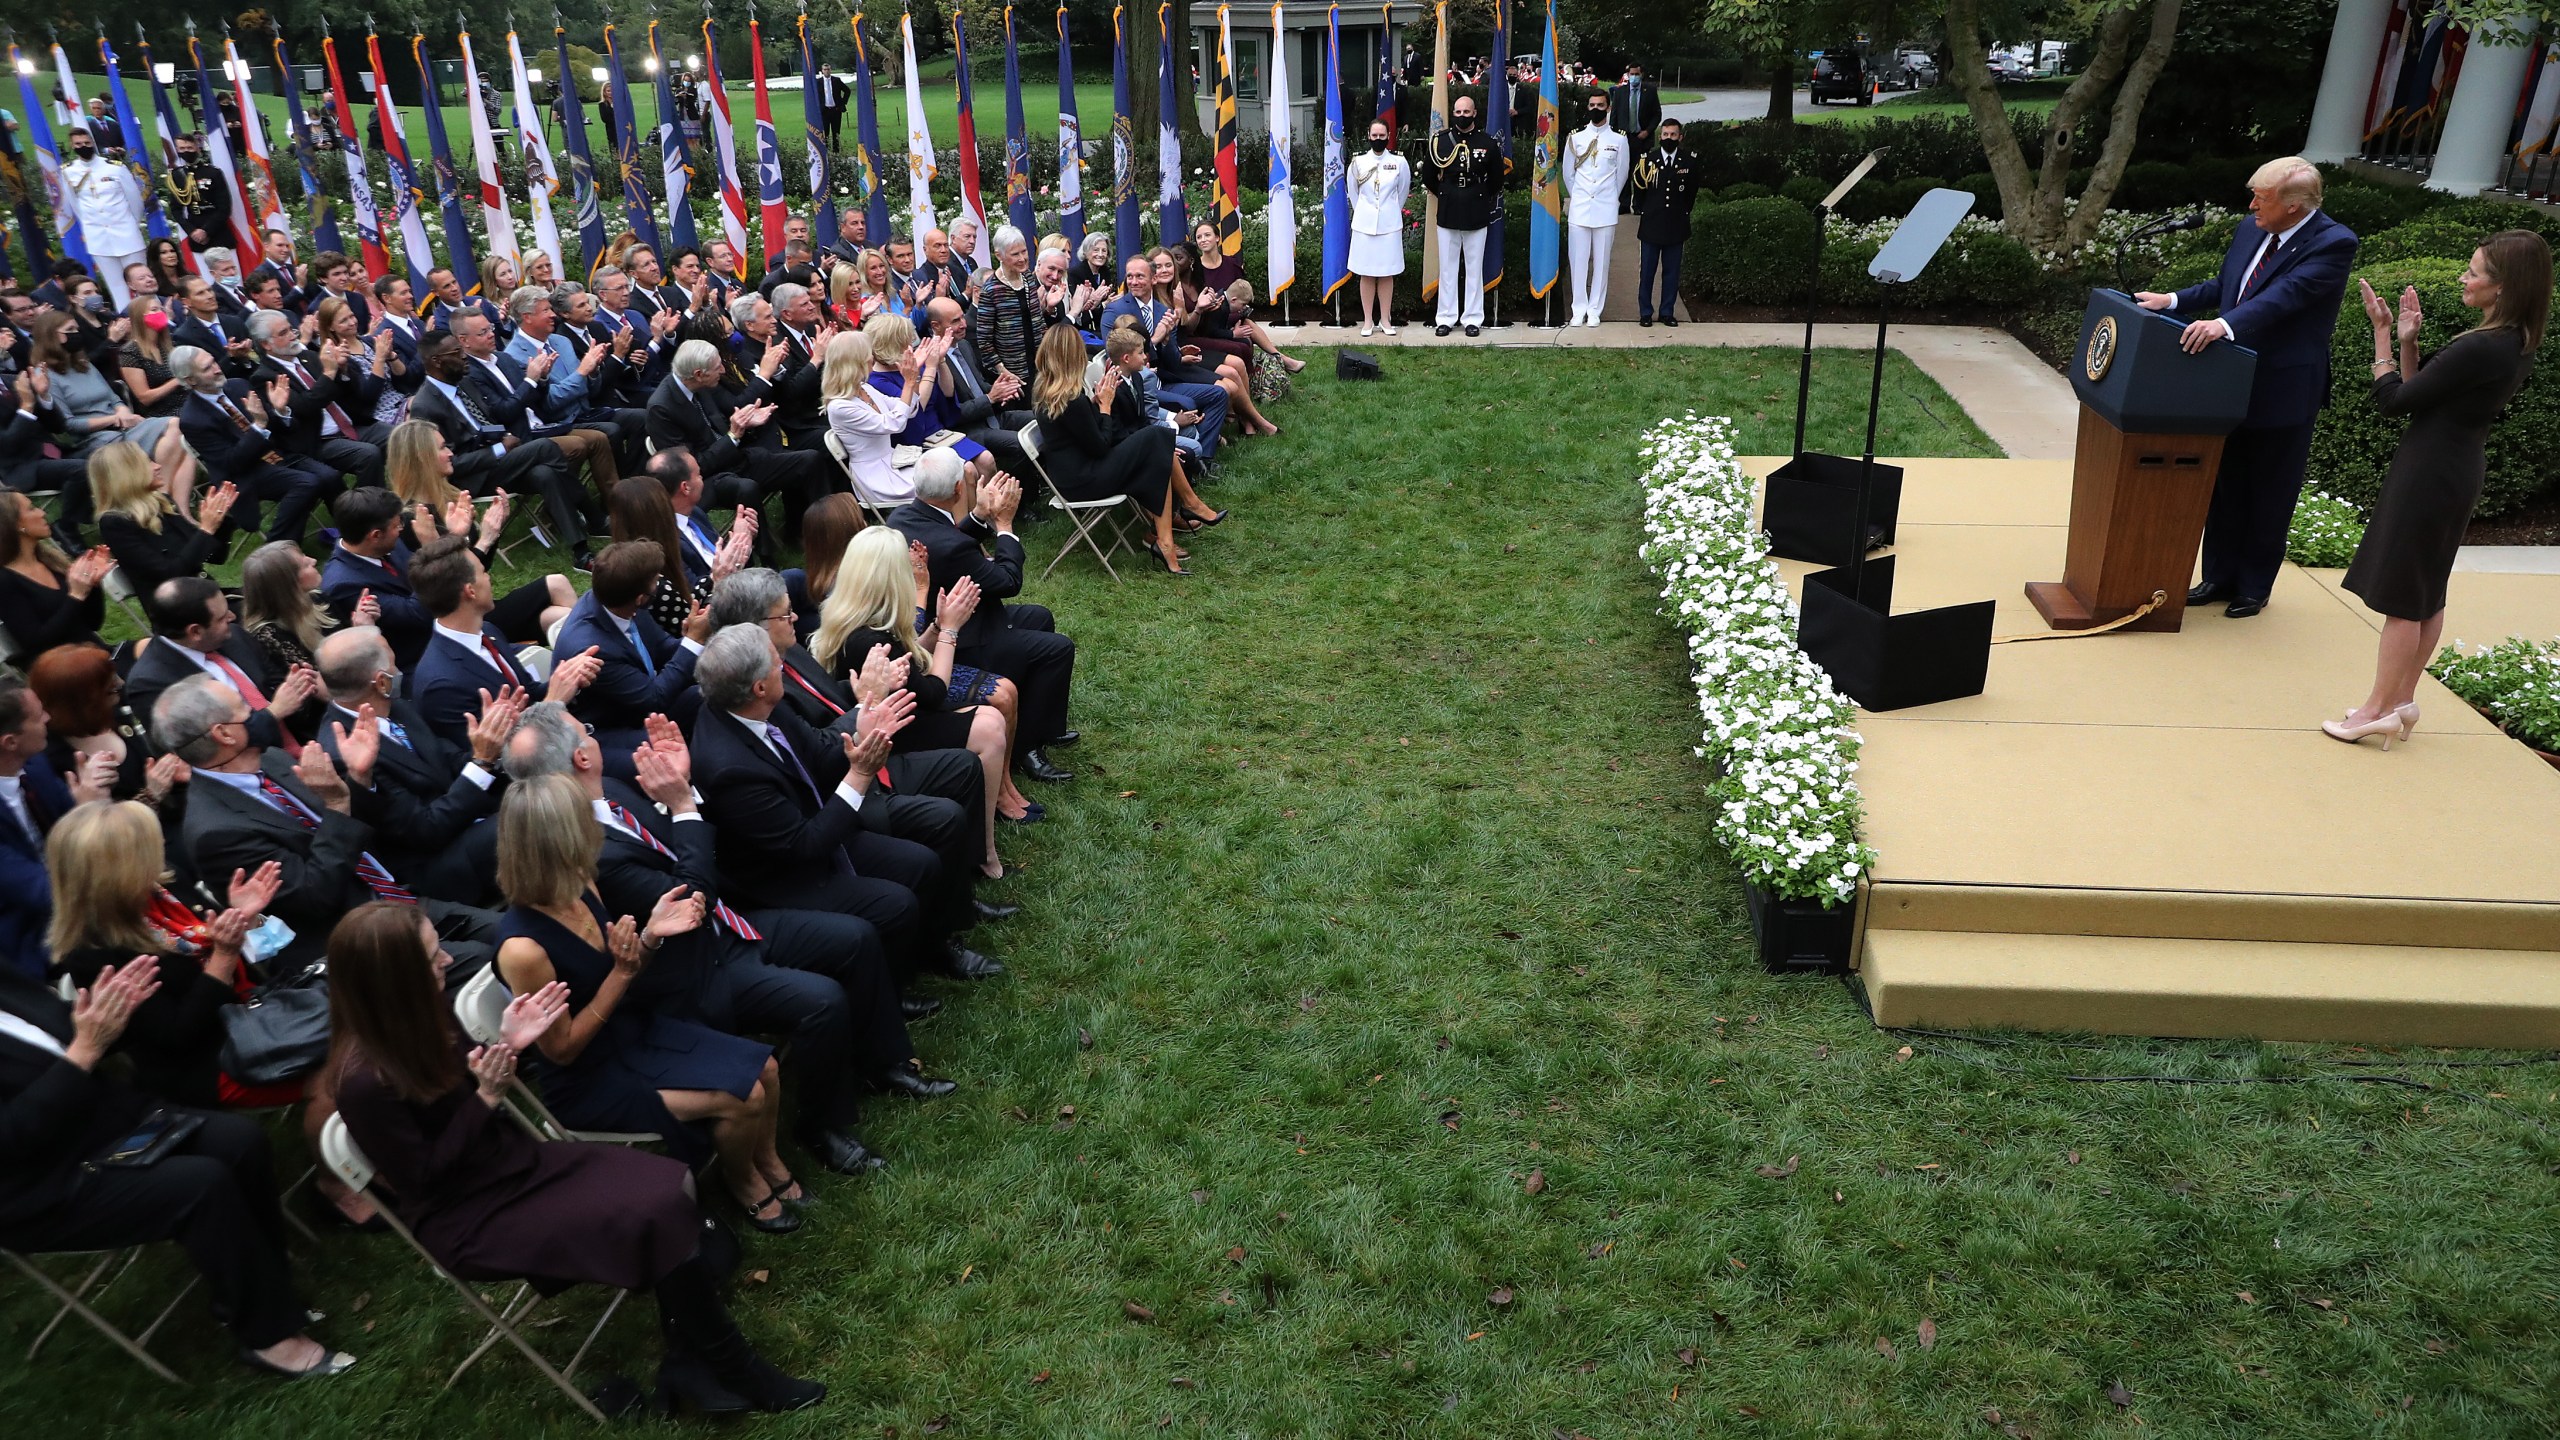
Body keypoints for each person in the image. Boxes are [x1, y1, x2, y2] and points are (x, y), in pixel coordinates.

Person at [325, 904, 823, 1411]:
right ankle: (738, 1369)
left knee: (670, 1185)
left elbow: (458, 1102)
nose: (448, 960)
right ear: (393, 979)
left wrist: (507, 1046)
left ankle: (688, 1363)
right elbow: (425, 1179)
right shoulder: (363, 1083)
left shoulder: (419, 1021)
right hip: (470, 1215)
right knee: (654, 1212)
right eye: (432, 957)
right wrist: (489, 1096)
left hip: (510, 1164)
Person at [503, 703, 940, 1167]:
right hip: (692, 970)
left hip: (733, 926)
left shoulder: (611, 791)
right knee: (822, 1001)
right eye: (586, 729)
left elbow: (683, 845)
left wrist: (685, 787)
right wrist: (683, 805)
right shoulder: (589, 853)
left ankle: (884, 1062)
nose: (594, 734)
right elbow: (692, 898)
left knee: (855, 938)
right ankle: (822, 1127)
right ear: (581, 759)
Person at [0, 956, 352, 1379]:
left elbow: (60, 1038)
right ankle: (268, 1338)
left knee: (240, 1142)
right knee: (201, 1185)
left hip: (99, 1119)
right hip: (40, 1184)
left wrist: (111, 1014)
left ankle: (266, 1292)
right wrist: (85, 1051)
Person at [492, 773, 801, 1227]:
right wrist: (622, 971)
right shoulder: (524, 948)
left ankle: (767, 1160)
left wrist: (651, 935)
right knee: (743, 1097)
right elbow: (561, 1050)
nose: (592, 832)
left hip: (634, 1031)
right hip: (590, 1077)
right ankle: (742, 1181)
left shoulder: (581, 884)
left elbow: (621, 969)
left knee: (768, 1070)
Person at [2326, 233, 2551, 748]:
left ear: (2504, 285)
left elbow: (2394, 401)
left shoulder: (2481, 346)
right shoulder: (2513, 341)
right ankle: (2401, 701)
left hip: (2431, 473)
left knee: (2405, 598)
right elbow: (2423, 395)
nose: (2463, 278)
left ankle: (2375, 710)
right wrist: (2408, 342)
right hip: (2452, 467)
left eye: (2474, 271)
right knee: (2425, 593)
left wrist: (2382, 335)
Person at [687, 624, 995, 982]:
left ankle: (932, 949)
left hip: (818, 827)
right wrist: (861, 774)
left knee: (923, 863)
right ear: (758, 686)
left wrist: (863, 722)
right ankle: (894, 983)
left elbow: (818, 751)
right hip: (787, 877)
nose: (783, 670)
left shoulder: (756, 708)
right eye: (776, 667)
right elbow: (807, 847)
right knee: (897, 902)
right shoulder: (728, 767)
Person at [151, 673, 504, 967]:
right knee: (493, 960)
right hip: (365, 945)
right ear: (224, 734)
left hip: (402, 901)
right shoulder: (216, 831)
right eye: (246, 710)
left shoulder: (271, 759)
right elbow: (314, 896)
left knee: (510, 934)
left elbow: (360, 830)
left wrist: (359, 777)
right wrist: (337, 804)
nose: (261, 713)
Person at [2133, 157, 2356, 618]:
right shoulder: (2252, 227)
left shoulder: (2334, 243)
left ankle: (2253, 587)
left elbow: (2284, 296)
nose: (2252, 203)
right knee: (2225, 481)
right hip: (2226, 381)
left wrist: (2223, 326)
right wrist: (2171, 300)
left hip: (2284, 387)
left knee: (2270, 489)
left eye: (2263, 196)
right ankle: (2217, 576)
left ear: (2294, 207)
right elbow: (2229, 285)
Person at [43, 800, 308, 1109]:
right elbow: (178, 1035)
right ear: (118, 871)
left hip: (259, 1011)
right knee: (337, 1072)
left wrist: (244, 917)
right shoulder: (94, 954)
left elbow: (240, 953)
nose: (160, 852)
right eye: (147, 848)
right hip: (213, 1060)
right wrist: (223, 957)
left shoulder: (163, 885)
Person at [812, 529, 1018, 878]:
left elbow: (912, 666)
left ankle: (991, 822)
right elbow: (934, 691)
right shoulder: (869, 640)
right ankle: (984, 853)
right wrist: (952, 630)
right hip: (887, 737)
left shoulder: (851, 621)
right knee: (989, 727)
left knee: (990, 717)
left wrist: (937, 626)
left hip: (888, 716)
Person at [889, 452, 1079, 782]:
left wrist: (978, 517)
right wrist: (1003, 525)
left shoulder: (903, 517)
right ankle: (1025, 749)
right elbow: (1008, 582)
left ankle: (1042, 723)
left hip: (955, 615)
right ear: (958, 489)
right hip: (961, 636)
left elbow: (951, 539)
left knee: (1039, 617)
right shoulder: (951, 546)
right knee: (1057, 648)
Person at [313, 626, 513, 903]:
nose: (400, 672)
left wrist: (494, 740)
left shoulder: (394, 707)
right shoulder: (345, 755)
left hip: (467, 821)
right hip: (437, 864)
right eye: (393, 664)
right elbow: (426, 830)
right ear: (381, 682)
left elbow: (448, 759)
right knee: (530, 817)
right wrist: (481, 762)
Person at [1034, 326, 1223, 574]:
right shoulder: (1071, 400)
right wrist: (1105, 406)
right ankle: (1188, 506)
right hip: (1083, 481)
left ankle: (1166, 541)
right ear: (1072, 356)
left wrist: (1095, 403)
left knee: (1159, 448)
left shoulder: (1050, 392)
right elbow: (1101, 445)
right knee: (1158, 439)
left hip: (1075, 472)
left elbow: (1081, 432)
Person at [406, 331, 594, 566]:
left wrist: (503, 438)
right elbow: (447, 465)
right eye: (457, 353)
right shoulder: (425, 406)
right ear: (436, 361)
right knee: (545, 447)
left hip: (499, 462)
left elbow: (491, 418)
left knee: (545, 474)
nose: (465, 357)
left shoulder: (463, 382)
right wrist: (500, 449)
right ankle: (593, 514)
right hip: (470, 479)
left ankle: (581, 552)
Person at [381, 419, 578, 639]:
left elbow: (481, 567)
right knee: (558, 588)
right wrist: (484, 540)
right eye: (442, 448)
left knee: (558, 614)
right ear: (422, 459)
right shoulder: (413, 522)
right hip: (462, 623)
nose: (450, 453)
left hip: (481, 605)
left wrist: (492, 532)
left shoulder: (450, 498)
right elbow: (452, 584)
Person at [407, 534, 603, 749]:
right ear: (469, 591)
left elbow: (529, 693)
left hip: (561, 736)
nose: (489, 578)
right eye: (483, 572)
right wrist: (553, 702)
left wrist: (567, 678)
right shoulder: (441, 686)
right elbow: (493, 760)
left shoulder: (488, 632)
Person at [646, 339, 839, 543]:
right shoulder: (661, 408)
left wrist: (746, 423)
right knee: (746, 488)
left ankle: (826, 531)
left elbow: (722, 422)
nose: (722, 370)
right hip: (709, 478)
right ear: (698, 374)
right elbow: (692, 468)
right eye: (717, 367)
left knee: (810, 460)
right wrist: (734, 435)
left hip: (737, 458)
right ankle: (766, 558)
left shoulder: (700, 384)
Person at [124, 577, 324, 754]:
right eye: (221, 618)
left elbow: (274, 682)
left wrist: (298, 686)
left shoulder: (233, 636)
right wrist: (273, 713)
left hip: (306, 739)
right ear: (195, 632)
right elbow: (206, 750)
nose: (232, 617)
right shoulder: (152, 683)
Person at [553, 540, 711, 758]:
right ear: (641, 598)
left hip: (639, 702)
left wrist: (691, 637)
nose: (660, 584)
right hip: (607, 730)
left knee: (714, 689)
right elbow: (654, 699)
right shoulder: (594, 648)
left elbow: (663, 647)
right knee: (665, 753)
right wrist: (693, 642)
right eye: (656, 582)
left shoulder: (618, 598)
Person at [170, 343, 341, 544]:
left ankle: (353, 529)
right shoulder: (193, 419)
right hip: (247, 472)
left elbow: (279, 427)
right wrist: (258, 426)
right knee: (306, 484)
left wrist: (280, 410)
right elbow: (232, 461)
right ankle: (279, 548)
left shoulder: (237, 386)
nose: (217, 369)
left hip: (279, 454)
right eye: (207, 368)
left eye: (214, 362)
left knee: (330, 476)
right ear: (190, 380)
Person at [0, 673, 105, 979]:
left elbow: (74, 826)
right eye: (37, 716)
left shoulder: (34, 765)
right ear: (10, 742)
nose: (48, 718)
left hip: (84, 894)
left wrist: (90, 806)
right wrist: (89, 814)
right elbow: (44, 892)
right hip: (35, 940)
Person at [91, 439, 237, 598]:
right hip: (177, 609)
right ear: (127, 473)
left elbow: (216, 557)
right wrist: (206, 529)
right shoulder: (114, 523)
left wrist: (219, 520)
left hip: (206, 596)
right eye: (148, 462)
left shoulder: (162, 503)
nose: (157, 466)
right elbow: (169, 574)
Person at [1420, 96, 1505, 338]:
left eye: (1466, 111)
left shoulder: (1487, 143)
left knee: (1474, 267)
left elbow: (1496, 180)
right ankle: (1445, 317)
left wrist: (1477, 194)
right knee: (1447, 268)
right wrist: (1446, 193)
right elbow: (1429, 175)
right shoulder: (1440, 141)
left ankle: (1472, 319)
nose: (1462, 115)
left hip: (1476, 209)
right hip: (1448, 209)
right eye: (1457, 111)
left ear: (1475, 113)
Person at [0, 490, 113, 655]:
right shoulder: (5, 580)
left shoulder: (50, 561)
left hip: (98, 654)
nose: (42, 512)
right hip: (71, 670)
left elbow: (92, 623)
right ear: (17, 524)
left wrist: (92, 585)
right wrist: (76, 595)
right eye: (32, 509)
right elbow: (36, 643)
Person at [239, 541, 371, 677]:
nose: (314, 561)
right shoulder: (270, 637)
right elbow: (328, 681)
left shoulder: (317, 599)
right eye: (305, 565)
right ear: (289, 585)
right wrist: (362, 633)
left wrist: (359, 626)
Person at [61, 127, 148, 308]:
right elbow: (76, 206)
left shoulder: (114, 168)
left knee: (141, 280)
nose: (83, 146)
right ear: (72, 145)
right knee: (116, 285)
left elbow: (135, 201)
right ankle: (126, 320)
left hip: (126, 232)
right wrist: (92, 226)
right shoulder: (68, 171)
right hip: (98, 237)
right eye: (78, 144)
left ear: (92, 142)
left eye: (86, 143)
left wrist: (132, 223)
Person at [1562, 91, 1629, 327]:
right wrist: (1580, 196)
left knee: (1602, 262)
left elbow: (1620, 176)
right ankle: (1578, 308)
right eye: (1592, 105)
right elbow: (1568, 174)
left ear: (1608, 108)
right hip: (1580, 206)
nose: (1596, 108)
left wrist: (1607, 198)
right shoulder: (1576, 138)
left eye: (1600, 105)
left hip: (1605, 207)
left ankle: (1595, 309)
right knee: (1578, 261)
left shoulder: (1619, 140)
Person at [1630, 119, 1698, 328]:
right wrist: (1644, 210)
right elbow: (1640, 190)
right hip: (1652, 224)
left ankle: (1667, 312)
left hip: (1676, 224)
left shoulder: (1689, 161)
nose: (1669, 138)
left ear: (1680, 137)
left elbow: (1691, 192)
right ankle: (1646, 312)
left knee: (1672, 272)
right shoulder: (1647, 160)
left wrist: (1684, 212)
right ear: (1660, 137)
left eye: (1673, 135)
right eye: (1666, 135)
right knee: (1648, 272)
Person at [968, 227, 1051, 393]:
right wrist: (1003, 371)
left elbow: (1038, 321)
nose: (1022, 258)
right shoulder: (991, 290)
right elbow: (984, 340)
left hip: (1041, 367)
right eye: (1015, 254)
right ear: (999, 256)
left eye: (1024, 251)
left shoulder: (1028, 277)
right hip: (1014, 376)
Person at [1350, 120, 1411, 336]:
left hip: (1389, 225)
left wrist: (1389, 212)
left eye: (1381, 135)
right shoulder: (1358, 162)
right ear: (1368, 135)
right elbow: (1354, 194)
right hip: (1364, 226)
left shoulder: (1399, 162)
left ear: (1388, 135)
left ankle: (1385, 319)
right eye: (1374, 135)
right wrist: (1366, 214)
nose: (1378, 139)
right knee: (1366, 274)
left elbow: (1402, 191)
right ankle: (1367, 320)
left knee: (1387, 273)